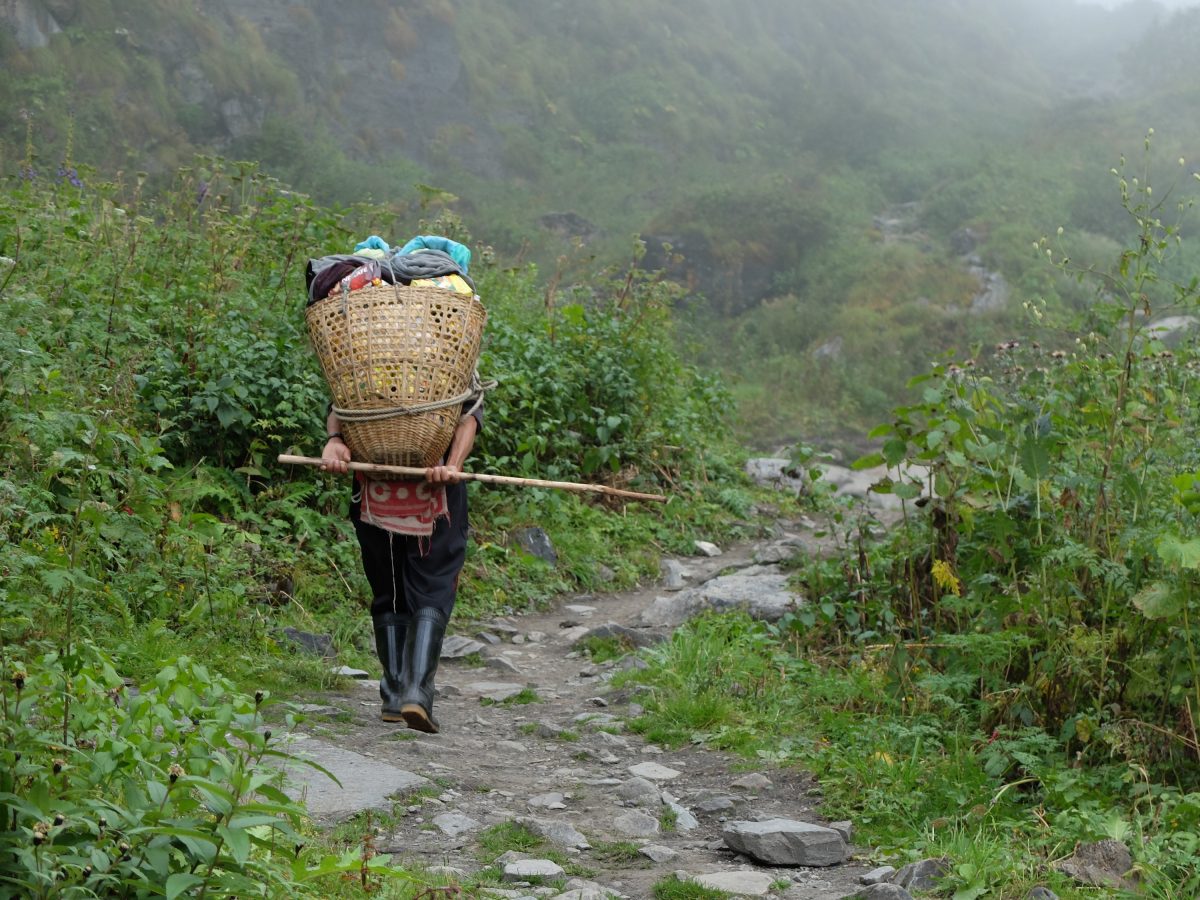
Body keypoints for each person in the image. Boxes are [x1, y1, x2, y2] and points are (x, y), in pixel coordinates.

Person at [320, 405, 480, 733]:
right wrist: (453, 464)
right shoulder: (449, 357)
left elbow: (340, 402)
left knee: (388, 584)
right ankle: (415, 692)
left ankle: (395, 693)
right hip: (428, 484)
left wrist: (335, 438)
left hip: (379, 485)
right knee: (433, 582)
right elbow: (471, 413)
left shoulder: (361, 356)